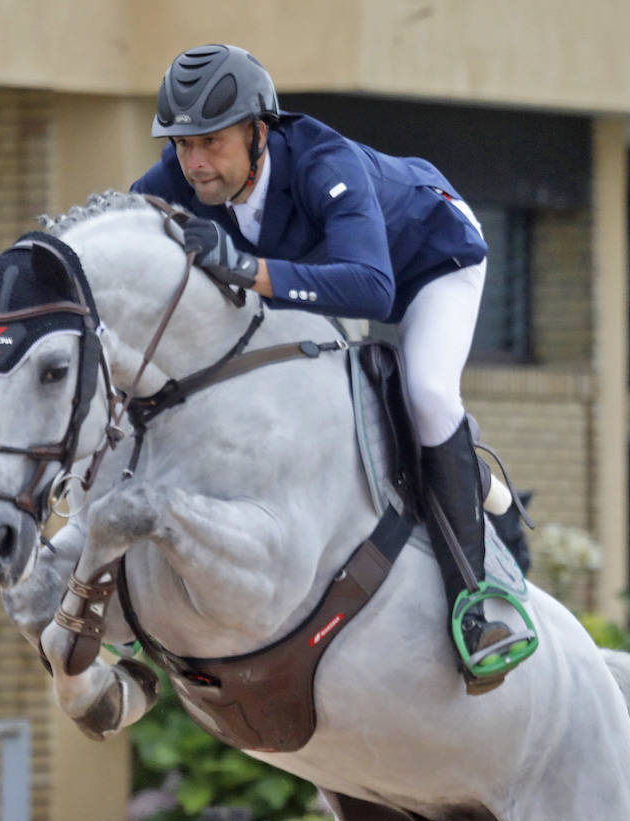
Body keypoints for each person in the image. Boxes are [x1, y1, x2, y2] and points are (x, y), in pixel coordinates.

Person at [130, 44, 533, 688]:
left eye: (210, 142)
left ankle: (476, 605)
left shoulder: (324, 163)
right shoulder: (180, 177)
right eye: (181, 145)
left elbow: (372, 288)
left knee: (425, 391)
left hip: (432, 261)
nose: (195, 163)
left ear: (259, 132)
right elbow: (121, 240)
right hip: (332, 276)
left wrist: (245, 270)